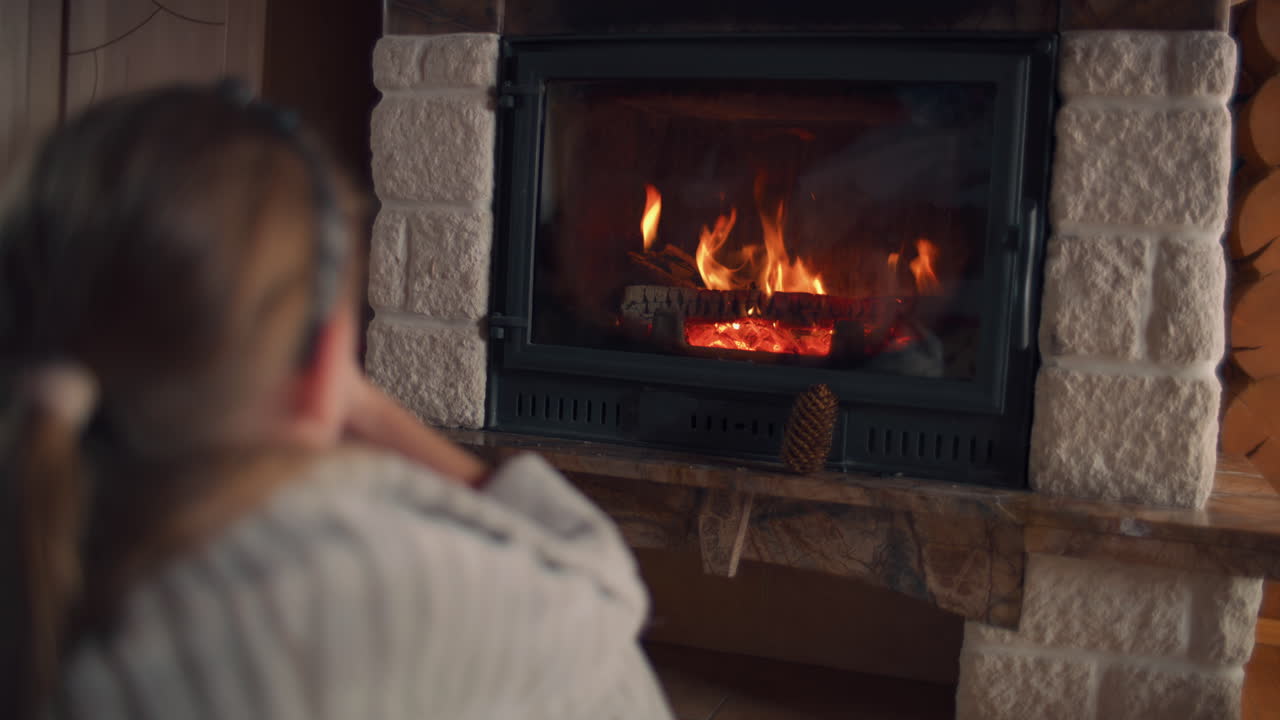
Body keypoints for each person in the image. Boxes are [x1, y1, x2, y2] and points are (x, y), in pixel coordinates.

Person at [0, 82, 674, 720]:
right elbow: (601, 590)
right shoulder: (350, 587)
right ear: (327, 361)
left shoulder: (40, 515)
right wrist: (361, 402)